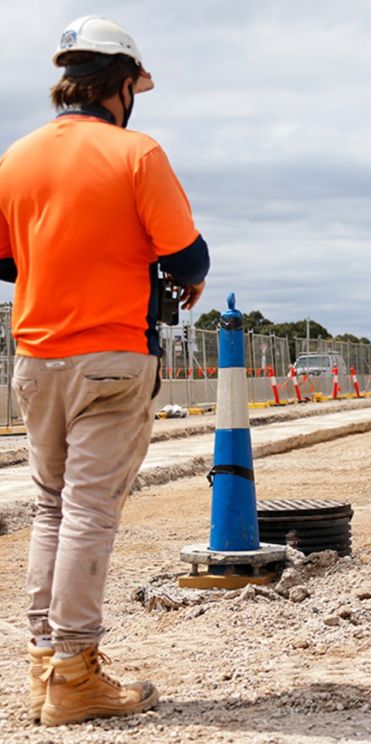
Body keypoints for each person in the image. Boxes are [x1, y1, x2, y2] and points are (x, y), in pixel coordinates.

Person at [0, 16, 209, 727]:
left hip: (35, 361)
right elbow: (188, 259)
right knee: (87, 513)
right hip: (110, 362)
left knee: (51, 509)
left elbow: (6, 260)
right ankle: (75, 675)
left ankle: (44, 668)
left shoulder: (17, 158)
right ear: (121, 87)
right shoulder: (136, 153)